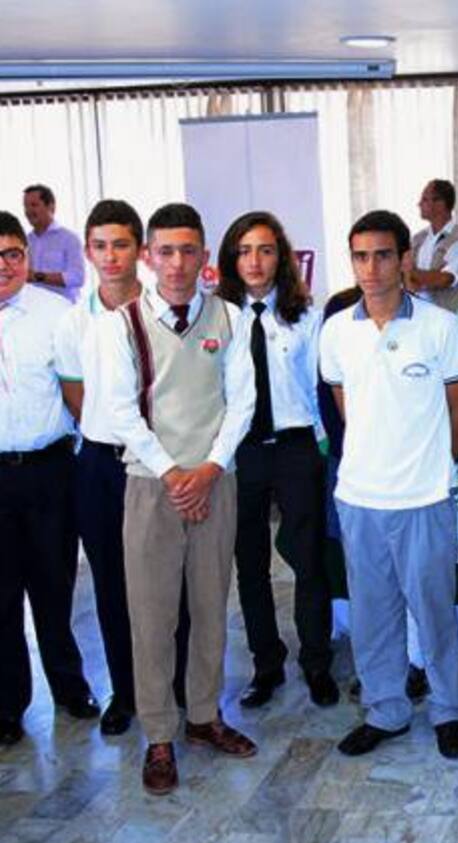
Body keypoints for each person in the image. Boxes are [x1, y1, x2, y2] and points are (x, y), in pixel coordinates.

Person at [103, 202, 258, 794]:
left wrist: (211, 468)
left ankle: (202, 717)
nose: (175, 263)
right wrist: (175, 474)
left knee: (213, 608)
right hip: (152, 486)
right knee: (152, 616)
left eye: (187, 250)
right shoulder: (126, 324)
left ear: (203, 254)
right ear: (148, 256)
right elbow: (122, 410)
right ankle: (160, 736)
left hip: (216, 482)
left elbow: (241, 399)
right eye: (164, 251)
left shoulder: (229, 318)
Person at [320, 209, 458, 760]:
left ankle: (448, 709)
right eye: (361, 256)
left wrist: (436, 470)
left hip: (425, 498)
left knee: (433, 611)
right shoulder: (336, 331)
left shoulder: (441, 327)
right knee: (372, 614)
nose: (372, 267)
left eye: (383, 255)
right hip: (360, 499)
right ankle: (386, 710)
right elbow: (347, 412)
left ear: (404, 259)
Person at [54, 199, 191, 736]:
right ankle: (127, 692)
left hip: (160, 465)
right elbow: (76, 395)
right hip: (100, 467)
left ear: (141, 250)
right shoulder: (72, 323)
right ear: (88, 252)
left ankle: (176, 684)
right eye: (100, 246)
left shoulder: (168, 310)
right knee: (111, 582)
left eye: (121, 244)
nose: (111, 256)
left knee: (169, 579)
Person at [215, 212, 337, 710]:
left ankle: (316, 662)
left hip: (295, 448)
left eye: (265, 250)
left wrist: (324, 452)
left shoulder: (306, 317)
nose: (255, 261)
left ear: (281, 257)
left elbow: (318, 389)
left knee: (308, 561)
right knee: (250, 566)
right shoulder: (219, 318)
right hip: (241, 452)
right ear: (230, 259)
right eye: (244, 251)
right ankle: (266, 665)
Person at [0, 210, 96, 747]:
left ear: (28, 257)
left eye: (13, 253)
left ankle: (70, 688)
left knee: (55, 586)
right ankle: (7, 705)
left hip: (49, 471)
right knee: (1, 598)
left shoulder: (57, 313)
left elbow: (79, 394)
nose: (4, 265)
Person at [407, 179, 458, 312]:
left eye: (424, 199)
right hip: (418, 317)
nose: (418, 204)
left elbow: (444, 279)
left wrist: (410, 272)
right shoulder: (417, 239)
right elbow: (406, 281)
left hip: (450, 321)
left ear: (440, 203)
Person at [23, 184, 86, 302]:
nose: (28, 211)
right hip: (33, 310)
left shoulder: (69, 239)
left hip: (64, 311)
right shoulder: (24, 242)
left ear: (51, 207)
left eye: (34, 205)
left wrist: (37, 276)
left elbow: (77, 278)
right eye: (26, 206)